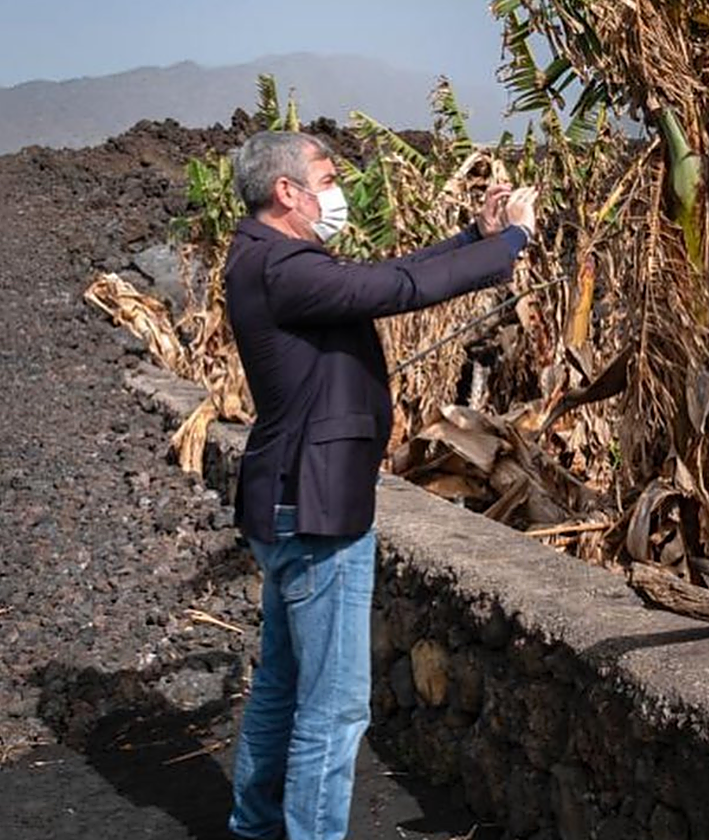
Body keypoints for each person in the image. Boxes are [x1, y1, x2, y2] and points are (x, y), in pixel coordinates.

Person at [223, 130, 539, 840]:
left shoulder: (266, 256)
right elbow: (399, 287)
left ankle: (254, 826)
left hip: (284, 495)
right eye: (328, 178)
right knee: (333, 709)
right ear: (287, 192)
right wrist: (511, 242)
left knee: (279, 684)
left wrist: (473, 236)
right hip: (316, 505)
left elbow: (388, 273)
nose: (338, 193)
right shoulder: (285, 268)